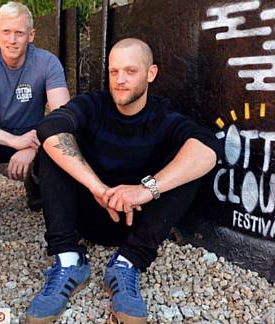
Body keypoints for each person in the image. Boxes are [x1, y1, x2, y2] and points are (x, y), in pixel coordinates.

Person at [25, 38, 222, 323]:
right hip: (87, 213)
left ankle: (127, 264)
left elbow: (208, 149)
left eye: (130, 71)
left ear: (150, 74)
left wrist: (143, 191)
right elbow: (50, 126)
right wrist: (98, 187)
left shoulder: (162, 115)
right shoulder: (93, 104)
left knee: (188, 163)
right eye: (114, 72)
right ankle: (69, 261)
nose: (120, 80)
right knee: (52, 148)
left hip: (137, 224)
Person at [0, 1, 70, 211]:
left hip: (34, 135)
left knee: (63, 139)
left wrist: (32, 146)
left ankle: (36, 182)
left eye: (19, 33)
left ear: (31, 35)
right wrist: (15, 141)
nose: (12, 40)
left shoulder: (48, 63)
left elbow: (64, 115)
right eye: (6, 32)